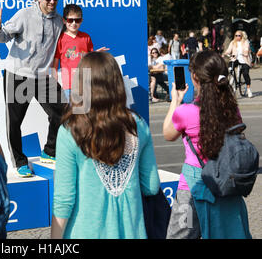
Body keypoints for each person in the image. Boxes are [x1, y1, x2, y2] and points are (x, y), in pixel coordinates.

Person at [51, 51, 160, 239]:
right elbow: (151, 186)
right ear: (116, 84)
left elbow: (64, 200)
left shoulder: (71, 130)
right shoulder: (138, 125)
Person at [162, 51, 252, 239]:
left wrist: (175, 101)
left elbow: (168, 134)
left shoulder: (185, 112)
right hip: (225, 182)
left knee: (180, 234)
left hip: (191, 189)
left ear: (194, 77)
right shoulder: (231, 108)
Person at [0, 0, 66, 177]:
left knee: (64, 112)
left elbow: (69, 43)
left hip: (42, 76)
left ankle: (50, 151)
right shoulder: (24, 14)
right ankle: (19, 161)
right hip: (18, 74)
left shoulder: (59, 21)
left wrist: (90, 53)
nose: (52, 2)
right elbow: (4, 37)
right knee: (14, 122)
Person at [52, 4, 108, 99]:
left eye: (77, 20)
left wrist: (95, 55)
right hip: (68, 86)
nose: (74, 23)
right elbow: (55, 64)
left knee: (84, 112)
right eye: (70, 20)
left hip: (85, 84)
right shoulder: (60, 39)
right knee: (70, 112)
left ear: (81, 21)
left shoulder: (86, 37)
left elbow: (89, 60)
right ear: (64, 20)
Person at [224, 30, 253, 98]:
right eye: (236, 35)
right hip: (235, 59)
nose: (237, 37)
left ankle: (248, 89)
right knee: (230, 66)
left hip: (244, 60)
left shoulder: (245, 42)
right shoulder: (233, 42)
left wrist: (245, 53)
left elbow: (246, 49)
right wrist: (226, 53)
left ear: (242, 36)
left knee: (245, 73)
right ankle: (232, 77)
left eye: (239, 35)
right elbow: (229, 49)